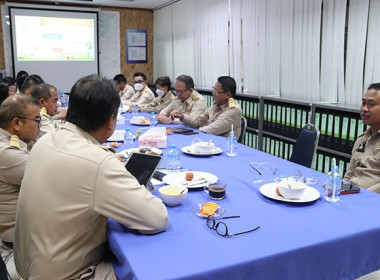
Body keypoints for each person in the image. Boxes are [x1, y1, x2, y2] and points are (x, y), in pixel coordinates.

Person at [14, 75, 168, 279]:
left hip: (28, 265)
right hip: (68, 275)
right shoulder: (98, 162)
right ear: (110, 121)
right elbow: (156, 219)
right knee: (153, 263)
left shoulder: (46, 140)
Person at [0, 95, 41, 246]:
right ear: (16, 123)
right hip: (14, 230)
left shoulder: (12, 138)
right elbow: (50, 178)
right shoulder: (6, 152)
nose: (40, 126)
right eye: (37, 120)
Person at [172, 76, 242, 138]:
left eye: (216, 91)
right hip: (209, 142)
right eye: (213, 89)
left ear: (227, 95)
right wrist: (182, 117)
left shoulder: (234, 110)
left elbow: (210, 130)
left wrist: (194, 131)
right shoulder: (216, 105)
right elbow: (198, 121)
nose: (213, 93)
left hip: (223, 147)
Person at [343, 83, 380, 193]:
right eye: (363, 104)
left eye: (370, 104)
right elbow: (350, 173)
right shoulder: (361, 140)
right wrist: (340, 190)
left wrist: (361, 195)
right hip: (352, 195)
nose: (364, 109)